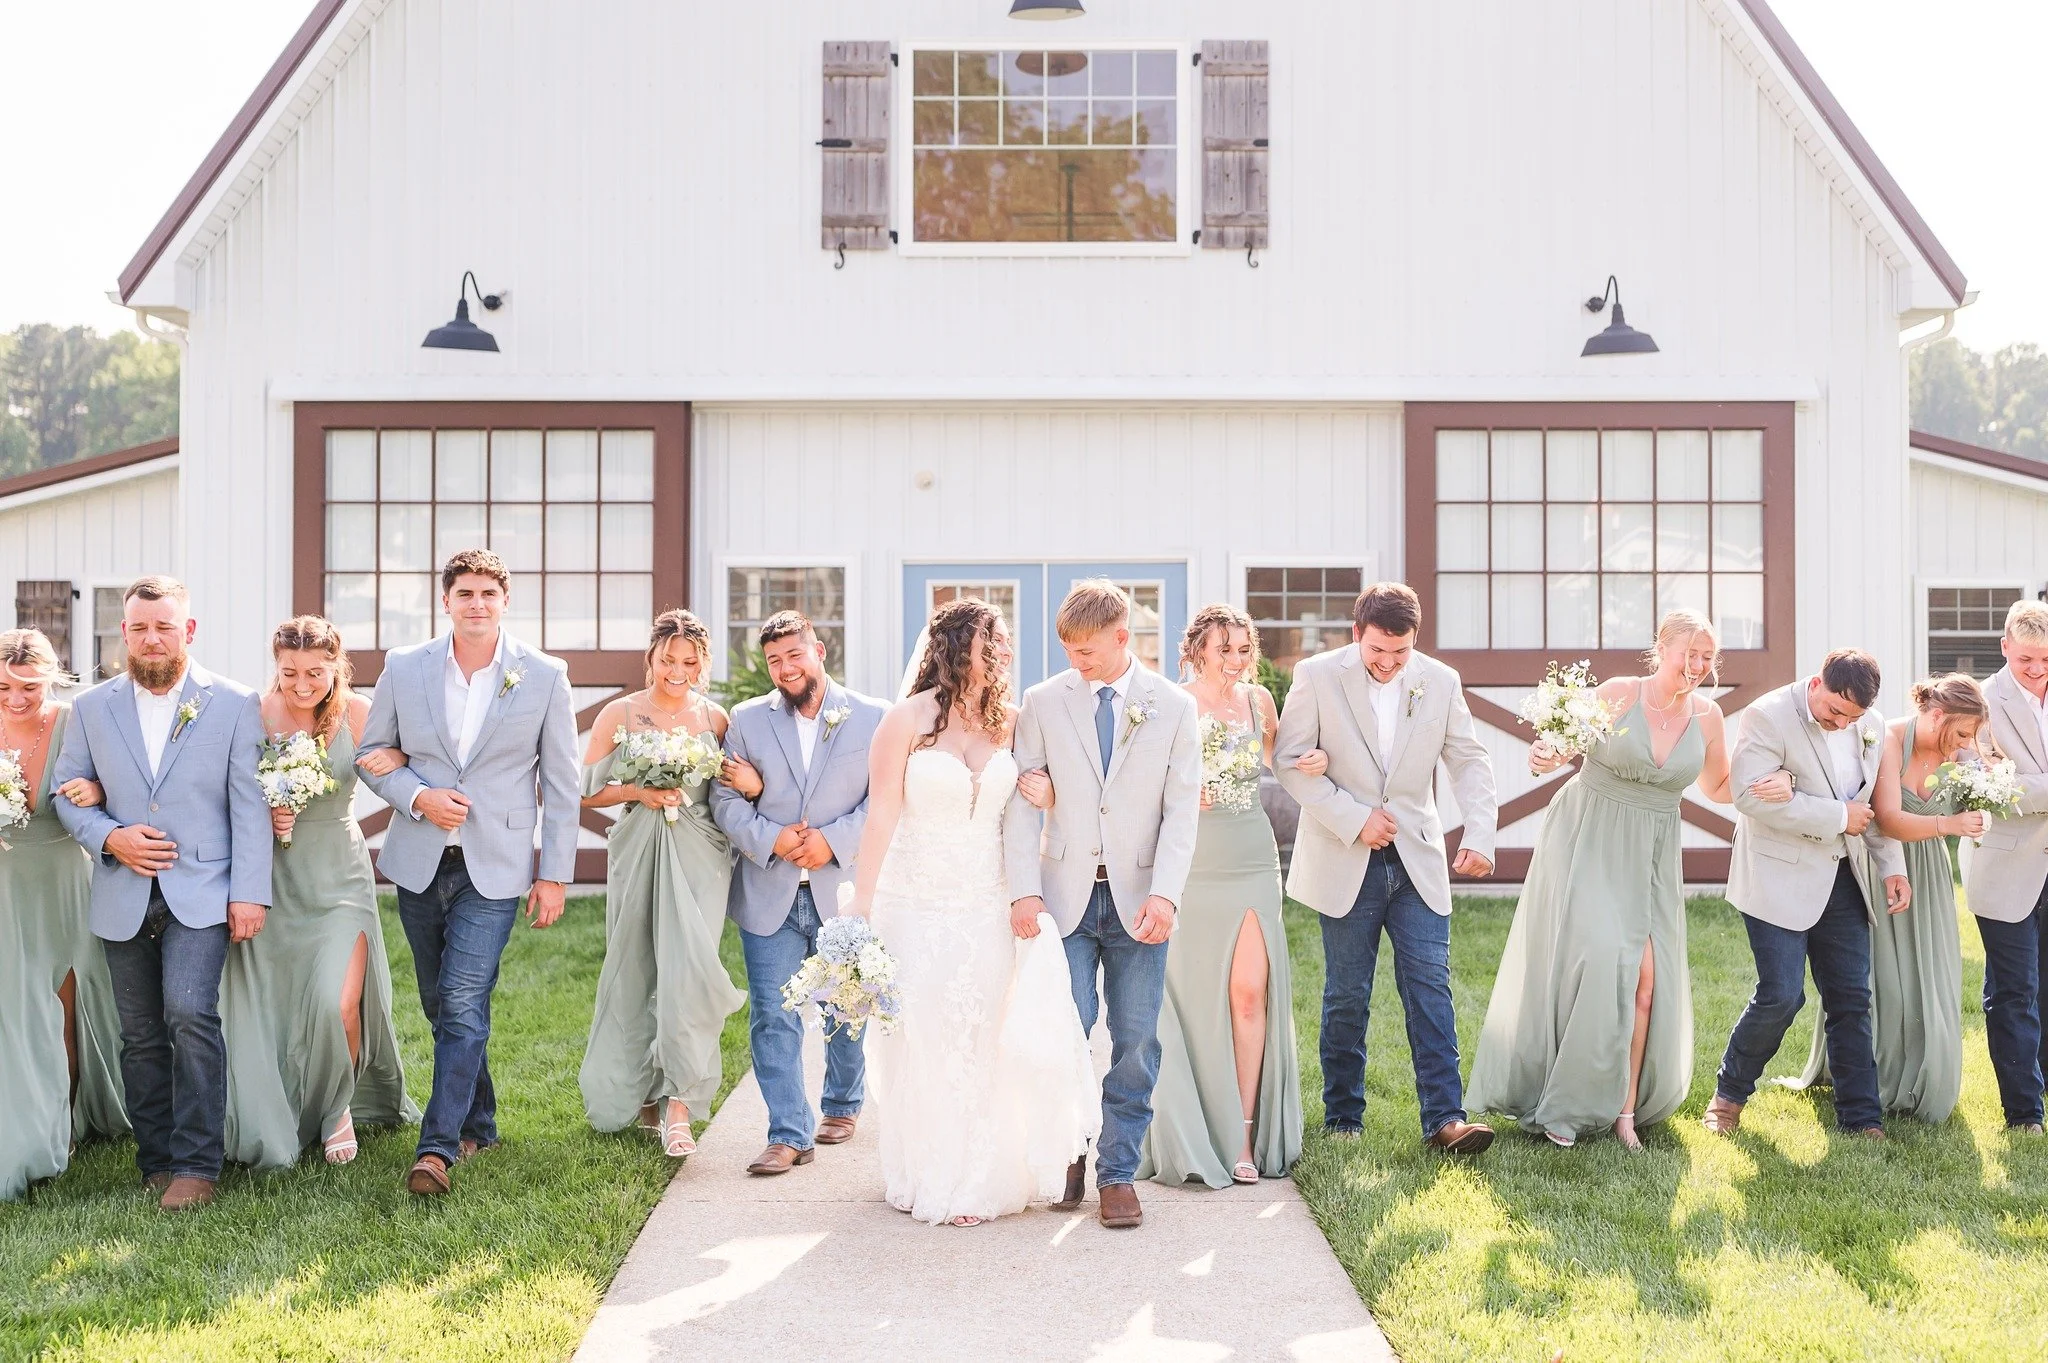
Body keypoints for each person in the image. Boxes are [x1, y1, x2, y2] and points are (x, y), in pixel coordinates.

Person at [848, 598, 1097, 1226]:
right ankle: (931, 1171)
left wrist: (1047, 792)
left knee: (984, 1034)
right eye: (994, 641)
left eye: (1006, 642)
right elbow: (879, 816)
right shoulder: (904, 721)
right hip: (916, 905)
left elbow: (1041, 804)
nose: (1005, 652)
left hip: (987, 902)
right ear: (960, 646)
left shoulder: (1010, 722)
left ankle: (979, 1176)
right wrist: (862, 906)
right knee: (927, 1036)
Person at [1468, 611, 1753, 1149]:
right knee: (1601, 959)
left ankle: (1624, 1111)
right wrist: (1543, 753)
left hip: (1652, 853)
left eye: (1706, 658)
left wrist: (1770, 782)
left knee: (1648, 981)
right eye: (1688, 653)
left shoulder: (1709, 716)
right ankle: (1567, 1105)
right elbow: (1561, 749)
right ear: (1661, 649)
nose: (1696, 666)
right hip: (1589, 835)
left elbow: (1719, 786)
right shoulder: (1621, 692)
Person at [356, 549, 580, 1196]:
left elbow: (562, 783)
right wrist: (417, 795)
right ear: (446, 600)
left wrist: (554, 872)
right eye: (465, 593)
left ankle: (438, 1148)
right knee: (439, 1001)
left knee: (460, 999)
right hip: (420, 857)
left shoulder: (544, 674)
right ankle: (479, 1118)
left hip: (498, 864)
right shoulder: (405, 666)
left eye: (488, 593)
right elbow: (373, 751)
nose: (476, 603)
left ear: (505, 601)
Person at [51, 576, 272, 1211]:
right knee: (140, 1033)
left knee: (189, 1013)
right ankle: (157, 1161)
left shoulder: (232, 702)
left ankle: (198, 1164)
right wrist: (110, 837)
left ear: (189, 631)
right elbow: (69, 792)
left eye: (164, 627)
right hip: (122, 891)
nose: (152, 639)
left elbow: (249, 807)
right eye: (140, 628)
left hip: (202, 891)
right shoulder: (93, 708)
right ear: (124, 634)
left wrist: (249, 894)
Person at [1004, 579, 1202, 1231]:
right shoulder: (1041, 702)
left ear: (1123, 637)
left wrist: (1168, 894)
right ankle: (1069, 1153)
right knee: (1066, 1030)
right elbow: (1019, 803)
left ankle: (1117, 1171)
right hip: (1062, 899)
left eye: (1086, 651)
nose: (1075, 663)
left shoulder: (1172, 707)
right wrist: (1024, 888)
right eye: (1068, 650)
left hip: (1140, 899)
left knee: (1137, 1038)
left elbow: (1180, 813)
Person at [1275, 581, 1499, 1154]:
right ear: (1357, 634)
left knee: (1430, 985)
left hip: (1417, 858)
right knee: (1347, 993)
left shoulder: (1439, 681)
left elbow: (1469, 760)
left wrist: (1478, 831)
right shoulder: (1317, 675)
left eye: (1400, 653)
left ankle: (1446, 1119)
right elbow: (1290, 763)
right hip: (1345, 855)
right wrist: (1353, 819)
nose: (1388, 663)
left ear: (1414, 642)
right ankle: (1344, 1116)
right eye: (1378, 651)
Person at [217, 616, 416, 1169]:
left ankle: (337, 1105)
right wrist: (267, 812)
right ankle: (287, 1101)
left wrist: (397, 758)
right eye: (289, 672)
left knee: (338, 1001)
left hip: (340, 874)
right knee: (280, 999)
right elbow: (226, 788)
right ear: (275, 666)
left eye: (314, 672)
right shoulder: (253, 713)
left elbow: (404, 756)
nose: (301, 685)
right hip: (274, 875)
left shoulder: (358, 711)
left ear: (336, 666)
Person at [1705, 649, 1910, 1140]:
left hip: (1844, 877)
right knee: (1780, 996)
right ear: (1818, 682)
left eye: (1852, 717)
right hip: (1777, 875)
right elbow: (1748, 795)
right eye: (1836, 711)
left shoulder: (1872, 724)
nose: (1842, 723)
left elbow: (1870, 807)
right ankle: (1727, 1098)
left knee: (1851, 999)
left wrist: (1891, 867)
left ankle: (1862, 1118)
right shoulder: (1768, 714)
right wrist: (1836, 817)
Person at [711, 611, 887, 1176]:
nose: (785, 669)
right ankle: (788, 1132)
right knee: (771, 1014)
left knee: (846, 1004)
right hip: (769, 890)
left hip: (844, 891)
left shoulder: (873, 718)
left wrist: (833, 842)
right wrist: (777, 838)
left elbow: (885, 801)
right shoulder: (745, 721)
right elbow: (726, 803)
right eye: (774, 661)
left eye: (795, 655)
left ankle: (841, 1103)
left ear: (819, 652)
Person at [1141, 604, 1303, 1187]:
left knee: (1247, 991)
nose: (1236, 661)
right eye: (1224, 649)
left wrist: (1311, 762)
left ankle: (1243, 1132)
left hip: (1252, 856)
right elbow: (1146, 783)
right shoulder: (1169, 702)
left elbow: (1279, 763)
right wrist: (1180, 799)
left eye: (1243, 649)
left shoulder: (1260, 702)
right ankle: (1192, 1125)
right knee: (1190, 998)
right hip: (1192, 863)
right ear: (1197, 651)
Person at [1781, 673, 1988, 1125]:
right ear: (1935, 715)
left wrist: (1983, 805)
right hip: (1882, 868)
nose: (1968, 742)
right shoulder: (1889, 738)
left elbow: (1977, 801)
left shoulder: (1963, 752)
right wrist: (1950, 827)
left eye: (1972, 734)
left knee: (1930, 970)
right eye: (1962, 731)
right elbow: (1889, 821)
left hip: (1930, 871)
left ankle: (1927, 1073)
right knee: (1880, 977)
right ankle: (1872, 1078)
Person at [578, 610, 747, 1156]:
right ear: (650, 657)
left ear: (702, 664)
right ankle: (640, 1095)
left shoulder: (715, 719)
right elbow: (584, 793)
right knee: (638, 969)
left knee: (689, 974)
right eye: (667, 659)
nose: (677, 670)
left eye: (689, 661)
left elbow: (735, 787)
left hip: (700, 854)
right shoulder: (619, 714)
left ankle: (680, 1104)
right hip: (638, 851)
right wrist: (638, 792)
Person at [0, 629, 127, 1200]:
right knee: (15, 1007)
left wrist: (96, 791)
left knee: (65, 1009)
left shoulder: (76, 721)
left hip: (64, 879)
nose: (16, 698)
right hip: (5, 885)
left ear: (51, 679)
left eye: (28, 686)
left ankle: (69, 1122)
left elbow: (119, 782)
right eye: (3, 686)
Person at [1962, 600, 2048, 1136]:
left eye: (2045, 660)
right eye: (2025, 661)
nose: (2037, 670)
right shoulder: (1980, 705)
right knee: (2014, 992)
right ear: (2004, 649)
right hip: (2006, 870)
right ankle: (2023, 1113)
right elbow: (1990, 788)